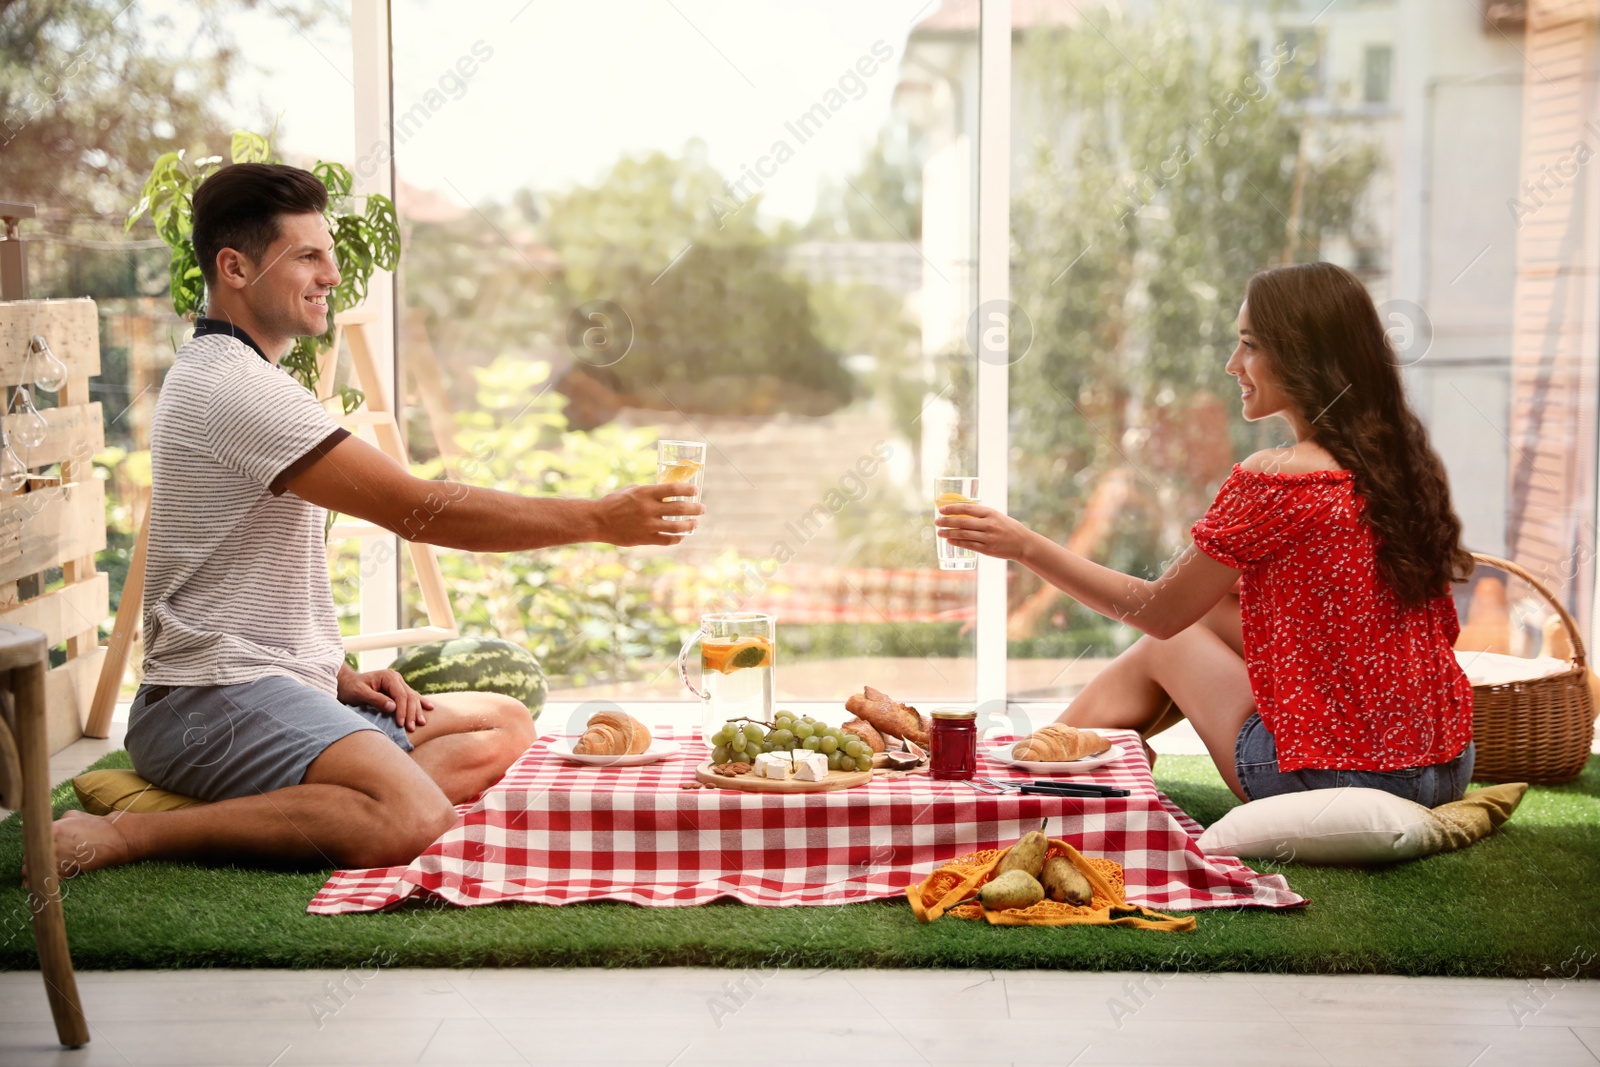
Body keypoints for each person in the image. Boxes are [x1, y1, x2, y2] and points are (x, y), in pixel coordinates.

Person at [45, 163, 703, 878]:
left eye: (327, 253)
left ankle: (337, 778)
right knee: (414, 816)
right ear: (234, 267)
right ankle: (133, 831)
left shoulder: (244, 376)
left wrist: (333, 672)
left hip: (276, 683)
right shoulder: (232, 386)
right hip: (208, 704)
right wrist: (601, 517)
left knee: (505, 722)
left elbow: (242, 579)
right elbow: (416, 509)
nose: (331, 274)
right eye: (307, 255)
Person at [938, 262, 1476, 805]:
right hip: (1448, 765)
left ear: (1302, 355)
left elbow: (1159, 612)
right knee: (1215, 614)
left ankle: (1019, 776)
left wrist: (1022, 545)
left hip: (1339, 783)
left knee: (1167, 643)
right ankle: (1056, 755)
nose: (1232, 364)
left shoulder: (1279, 475)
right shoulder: (1401, 463)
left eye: (1249, 345)